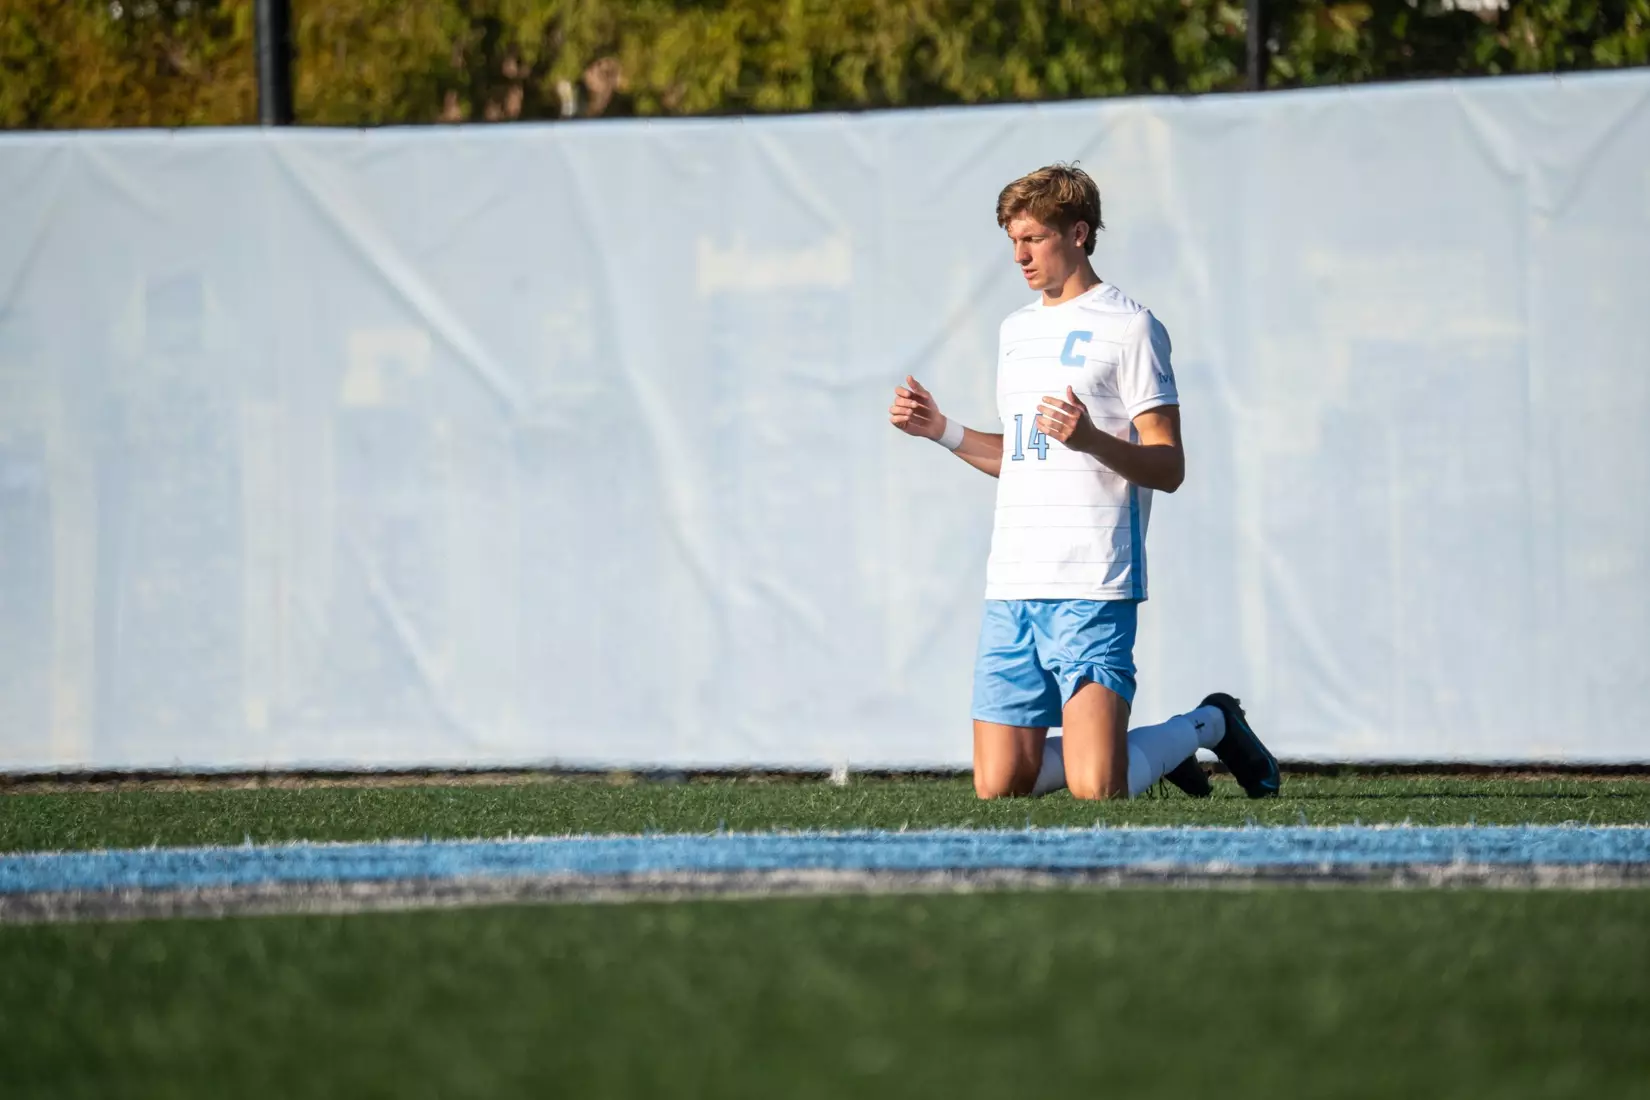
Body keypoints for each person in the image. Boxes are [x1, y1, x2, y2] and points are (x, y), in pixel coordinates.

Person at [888, 164, 1280, 801]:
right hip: (1013, 584)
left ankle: (1208, 722)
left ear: (1079, 232)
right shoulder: (1015, 331)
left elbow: (1169, 467)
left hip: (1092, 583)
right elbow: (1023, 457)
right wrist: (942, 430)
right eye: (1013, 240)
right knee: (999, 786)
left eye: (1033, 238)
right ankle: (1146, 744)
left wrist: (1093, 438)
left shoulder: (1132, 327)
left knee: (1097, 788)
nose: (1019, 254)